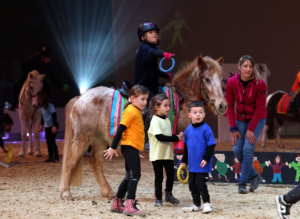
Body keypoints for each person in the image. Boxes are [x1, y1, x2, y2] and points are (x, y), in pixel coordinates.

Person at [103, 85, 149, 216]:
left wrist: (136, 152)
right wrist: (112, 147)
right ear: (133, 98)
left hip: (131, 148)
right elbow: (120, 129)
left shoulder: (136, 110)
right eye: (142, 99)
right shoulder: (131, 111)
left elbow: (135, 133)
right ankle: (130, 205)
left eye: (146, 99)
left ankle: (117, 203)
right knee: (136, 176)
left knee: (129, 176)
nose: (145, 102)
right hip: (129, 147)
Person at [226, 55, 267, 194]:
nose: (248, 69)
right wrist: (233, 128)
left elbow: (261, 108)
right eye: (245, 66)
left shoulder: (260, 83)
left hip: (257, 118)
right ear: (239, 67)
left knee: (248, 149)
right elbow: (230, 106)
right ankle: (255, 176)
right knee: (237, 149)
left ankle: (242, 183)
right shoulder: (231, 83)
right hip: (241, 118)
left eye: (250, 66)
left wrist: (251, 129)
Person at [147, 94, 184, 207]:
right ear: (157, 107)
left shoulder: (167, 120)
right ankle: (158, 198)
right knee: (159, 177)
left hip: (167, 154)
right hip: (157, 155)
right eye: (166, 105)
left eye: (169, 106)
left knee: (171, 174)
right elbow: (160, 137)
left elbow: (167, 135)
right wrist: (176, 137)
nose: (169, 108)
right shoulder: (155, 121)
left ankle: (168, 194)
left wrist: (176, 136)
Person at [181, 101, 216, 213]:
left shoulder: (207, 129)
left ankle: (207, 204)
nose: (198, 115)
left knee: (201, 184)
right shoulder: (188, 130)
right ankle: (196, 205)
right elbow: (186, 147)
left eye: (200, 112)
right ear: (189, 115)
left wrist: (205, 159)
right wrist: (184, 161)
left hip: (202, 165)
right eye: (195, 112)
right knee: (192, 185)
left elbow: (211, 146)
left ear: (204, 115)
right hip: (192, 166)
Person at [9, 47, 68, 111]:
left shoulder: (47, 63)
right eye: (48, 58)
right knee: (16, 85)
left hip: (38, 77)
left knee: (47, 87)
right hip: (28, 74)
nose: (50, 60)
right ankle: (14, 104)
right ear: (43, 56)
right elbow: (22, 64)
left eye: (51, 59)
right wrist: (27, 75)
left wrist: (60, 86)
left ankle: (46, 105)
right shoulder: (35, 57)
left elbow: (51, 75)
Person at [135, 21, 175, 103]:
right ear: (143, 37)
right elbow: (152, 52)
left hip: (153, 85)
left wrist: (166, 75)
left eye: (155, 32)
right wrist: (164, 54)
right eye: (150, 32)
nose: (154, 34)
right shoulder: (144, 48)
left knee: (166, 101)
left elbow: (153, 71)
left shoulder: (153, 48)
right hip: (143, 87)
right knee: (156, 105)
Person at [37, 90, 59, 163]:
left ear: (43, 98)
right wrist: (41, 126)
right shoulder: (42, 107)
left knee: (52, 141)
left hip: (53, 125)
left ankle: (56, 158)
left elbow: (54, 115)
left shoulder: (49, 105)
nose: (38, 100)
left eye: (39, 99)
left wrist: (54, 126)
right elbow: (43, 117)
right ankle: (50, 157)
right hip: (47, 126)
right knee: (48, 141)